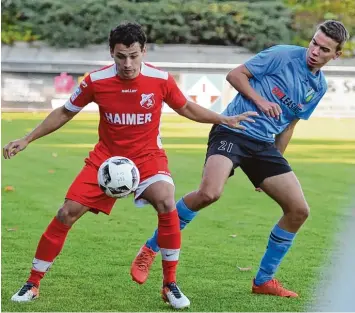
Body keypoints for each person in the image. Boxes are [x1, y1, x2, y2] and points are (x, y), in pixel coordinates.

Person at [3, 22, 257, 309]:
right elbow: (65, 112)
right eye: (121, 56)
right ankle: (33, 282)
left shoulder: (160, 79)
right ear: (111, 53)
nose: (128, 64)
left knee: (166, 201)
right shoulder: (95, 81)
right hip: (105, 160)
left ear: (143, 51)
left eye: (134, 56)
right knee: (66, 213)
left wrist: (222, 119)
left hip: (148, 157)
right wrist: (27, 138)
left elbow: (185, 107)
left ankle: (169, 284)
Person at [130, 20, 350, 297]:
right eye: (314, 43)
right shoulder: (282, 54)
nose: (315, 51)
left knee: (299, 211)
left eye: (324, 49)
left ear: (336, 55)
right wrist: (260, 101)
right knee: (209, 193)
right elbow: (235, 75)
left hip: (263, 146)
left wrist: (272, 166)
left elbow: (290, 125)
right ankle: (150, 248)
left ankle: (263, 281)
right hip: (233, 128)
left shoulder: (317, 87)